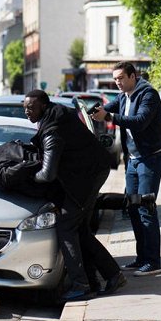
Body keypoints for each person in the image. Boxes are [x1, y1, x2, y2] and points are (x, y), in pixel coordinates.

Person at [23, 89, 126, 300]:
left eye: (31, 108)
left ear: (43, 106)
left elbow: (48, 173)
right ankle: (111, 275)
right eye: (24, 108)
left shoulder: (52, 130)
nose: (26, 112)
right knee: (78, 228)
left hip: (87, 177)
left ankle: (81, 285)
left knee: (66, 225)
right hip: (89, 172)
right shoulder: (55, 116)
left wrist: (24, 177)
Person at [91, 61, 161, 277]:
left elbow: (140, 121)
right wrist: (99, 110)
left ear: (133, 76)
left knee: (146, 207)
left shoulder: (148, 95)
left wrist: (109, 117)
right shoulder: (124, 95)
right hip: (133, 161)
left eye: (121, 78)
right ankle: (141, 258)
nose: (117, 83)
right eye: (115, 79)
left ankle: (153, 262)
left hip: (151, 158)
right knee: (132, 208)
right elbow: (109, 107)